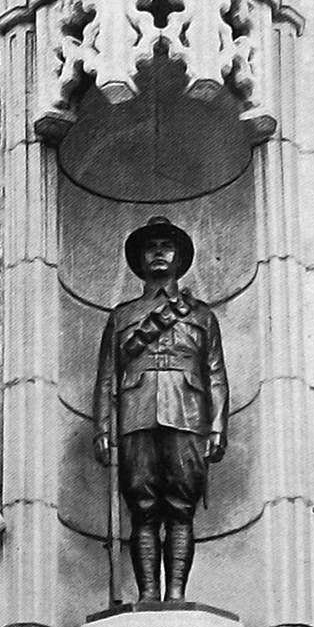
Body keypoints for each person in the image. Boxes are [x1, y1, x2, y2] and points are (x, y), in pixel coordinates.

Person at [93, 217, 228, 603]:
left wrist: (217, 426)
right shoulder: (122, 316)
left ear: (179, 256)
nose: (158, 253)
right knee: (144, 508)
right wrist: (103, 427)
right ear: (139, 258)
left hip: (188, 413)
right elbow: (106, 377)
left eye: (166, 246)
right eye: (150, 246)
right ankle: (148, 594)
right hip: (135, 414)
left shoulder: (201, 315)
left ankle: (176, 594)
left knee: (182, 507)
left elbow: (215, 373)